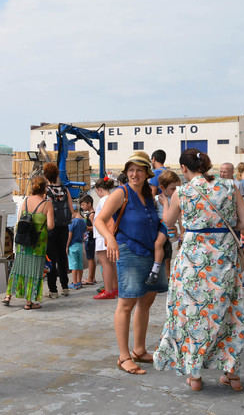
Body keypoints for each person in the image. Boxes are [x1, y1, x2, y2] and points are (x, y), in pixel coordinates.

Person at [153, 148, 244, 392]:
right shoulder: (229, 187)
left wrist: (167, 202)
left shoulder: (183, 192)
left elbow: (167, 222)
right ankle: (232, 374)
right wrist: (225, 224)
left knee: (192, 317)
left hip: (192, 265)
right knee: (228, 317)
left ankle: (195, 377)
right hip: (224, 264)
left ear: (184, 169)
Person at [95, 152, 167, 375]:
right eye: (131, 170)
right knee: (126, 304)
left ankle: (138, 349)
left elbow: (159, 221)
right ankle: (123, 355)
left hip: (150, 253)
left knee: (146, 301)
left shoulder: (149, 195)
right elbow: (98, 219)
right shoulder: (121, 193)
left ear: (147, 173)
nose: (134, 174)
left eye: (139, 169)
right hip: (129, 251)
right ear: (126, 173)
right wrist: (110, 239)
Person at [3, 175, 54, 309]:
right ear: (44, 188)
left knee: (18, 267)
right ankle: (29, 302)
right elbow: (51, 225)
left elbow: (19, 219)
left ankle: (8, 295)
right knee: (34, 270)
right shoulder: (47, 204)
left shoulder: (25, 201)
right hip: (38, 242)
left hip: (23, 241)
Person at [43, 162, 74, 298]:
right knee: (62, 256)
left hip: (51, 228)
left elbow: (43, 210)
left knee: (52, 258)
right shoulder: (65, 190)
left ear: (46, 176)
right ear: (57, 175)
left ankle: (53, 290)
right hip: (64, 227)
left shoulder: (46, 192)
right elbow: (72, 210)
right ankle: (65, 286)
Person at [92, 177, 118, 299]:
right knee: (112, 263)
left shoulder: (103, 200)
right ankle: (114, 288)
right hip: (109, 234)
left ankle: (108, 289)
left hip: (102, 235)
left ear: (99, 189)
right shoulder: (113, 198)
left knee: (105, 263)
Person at [155, 170, 183, 278]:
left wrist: (181, 232)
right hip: (160, 229)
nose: (176, 191)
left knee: (168, 257)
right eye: (173, 189)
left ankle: (168, 277)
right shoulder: (157, 200)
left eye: (178, 188)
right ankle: (160, 273)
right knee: (161, 249)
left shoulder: (176, 199)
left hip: (171, 231)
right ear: (162, 188)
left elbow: (180, 217)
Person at [66, 202, 86, 290]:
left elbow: (69, 235)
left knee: (73, 265)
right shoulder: (83, 221)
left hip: (73, 245)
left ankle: (74, 283)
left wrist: (66, 246)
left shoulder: (73, 222)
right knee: (80, 265)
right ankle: (79, 282)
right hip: (80, 244)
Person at [79, 195, 97, 285]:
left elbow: (95, 227)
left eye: (83, 205)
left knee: (90, 258)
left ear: (89, 204)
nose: (82, 207)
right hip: (88, 238)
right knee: (90, 258)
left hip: (90, 238)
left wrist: (86, 228)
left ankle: (90, 278)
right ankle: (92, 277)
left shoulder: (92, 214)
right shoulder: (90, 214)